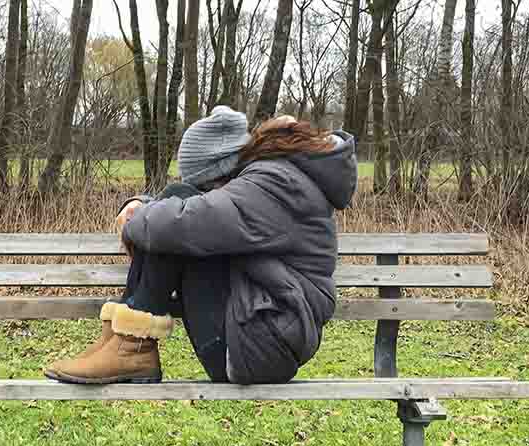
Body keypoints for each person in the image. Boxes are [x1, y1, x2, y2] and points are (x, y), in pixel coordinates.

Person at [44, 106, 357, 385]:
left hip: (257, 347)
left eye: (205, 185)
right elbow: (201, 212)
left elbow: (188, 220)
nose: (208, 193)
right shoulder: (283, 178)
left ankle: (131, 345)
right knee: (175, 208)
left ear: (222, 171)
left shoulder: (276, 184)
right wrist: (144, 206)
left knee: (177, 215)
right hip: (262, 335)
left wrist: (137, 216)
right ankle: (121, 342)